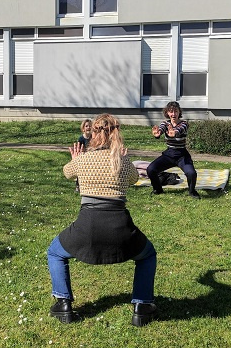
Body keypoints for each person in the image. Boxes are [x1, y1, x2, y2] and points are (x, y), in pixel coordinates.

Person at [47, 114, 158, 327]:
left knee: (55, 252)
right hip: (121, 228)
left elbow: (67, 173)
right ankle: (142, 307)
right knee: (147, 255)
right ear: (116, 133)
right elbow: (135, 178)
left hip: (86, 227)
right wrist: (123, 159)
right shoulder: (123, 162)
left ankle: (63, 303)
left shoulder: (83, 160)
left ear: (94, 133)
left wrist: (76, 159)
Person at [147, 101, 199, 198]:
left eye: (176, 111)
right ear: (167, 113)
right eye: (171, 111)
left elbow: (180, 130)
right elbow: (161, 129)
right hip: (169, 154)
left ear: (179, 112)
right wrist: (157, 134)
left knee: (191, 173)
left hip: (182, 155)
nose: (173, 114)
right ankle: (157, 190)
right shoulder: (165, 123)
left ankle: (192, 192)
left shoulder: (184, 123)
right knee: (151, 169)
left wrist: (174, 133)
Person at [75, 119, 92, 192]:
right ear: (83, 129)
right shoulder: (81, 139)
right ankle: (78, 185)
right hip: (83, 156)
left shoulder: (93, 137)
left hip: (91, 156)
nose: (88, 127)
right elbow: (79, 149)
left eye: (90, 126)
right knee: (81, 171)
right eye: (86, 126)